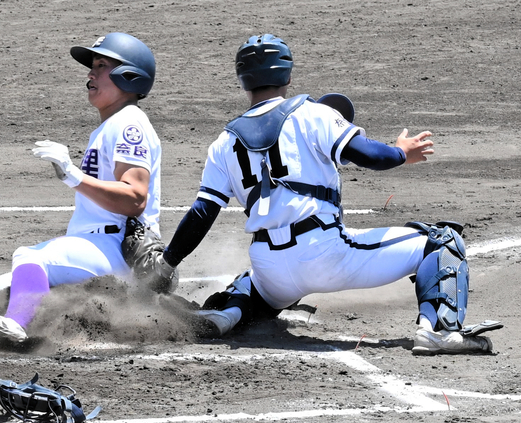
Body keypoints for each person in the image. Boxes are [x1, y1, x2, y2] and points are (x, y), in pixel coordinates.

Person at [155, 34, 500, 356]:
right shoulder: (313, 114)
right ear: (287, 74)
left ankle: (224, 315)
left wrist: (168, 262)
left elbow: (201, 214)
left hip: (269, 267)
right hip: (326, 255)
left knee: (252, 285)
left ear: (243, 79)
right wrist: (400, 151)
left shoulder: (223, 143)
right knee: (440, 241)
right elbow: (370, 156)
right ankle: (439, 329)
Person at [0, 32, 174, 343]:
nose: (91, 74)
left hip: (118, 247)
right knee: (0, 288)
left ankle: (17, 326)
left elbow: (134, 199)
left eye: (101, 65)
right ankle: (44, 329)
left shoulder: (129, 124)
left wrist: (73, 175)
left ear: (129, 75)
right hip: (97, 247)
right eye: (92, 66)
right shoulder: (112, 124)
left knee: (29, 257)